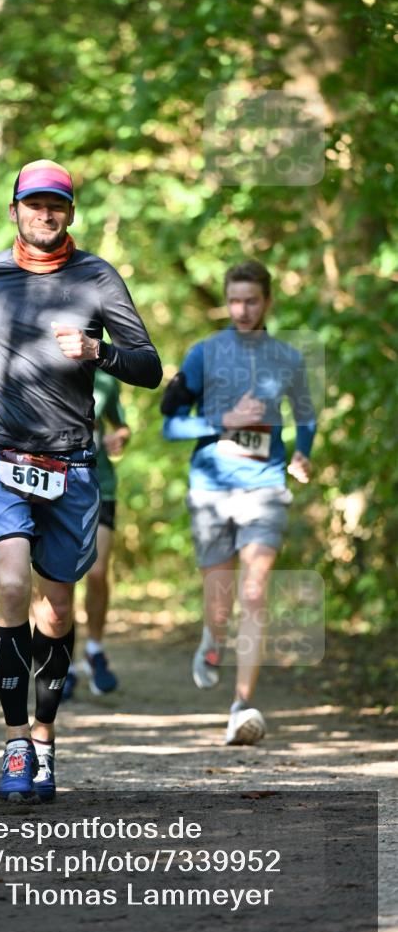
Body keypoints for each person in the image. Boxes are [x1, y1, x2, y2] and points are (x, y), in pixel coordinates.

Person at [0, 159, 162, 801]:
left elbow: (149, 367)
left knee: (58, 607)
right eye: (34, 204)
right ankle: (16, 743)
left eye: (57, 206)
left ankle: (44, 736)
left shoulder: (96, 278)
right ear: (15, 209)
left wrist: (99, 352)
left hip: (69, 462)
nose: (45, 215)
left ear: (69, 213)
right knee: (11, 585)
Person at [162, 260, 316, 745]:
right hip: (210, 488)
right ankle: (212, 638)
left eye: (252, 300)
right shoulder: (203, 354)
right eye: (235, 300)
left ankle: (241, 705)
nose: (243, 310)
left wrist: (303, 452)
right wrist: (221, 422)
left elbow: (306, 417)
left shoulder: (288, 358)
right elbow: (170, 422)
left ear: (268, 301)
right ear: (226, 302)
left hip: (265, 485)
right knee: (222, 604)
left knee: (254, 592)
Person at [63, 368, 130, 699]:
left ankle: (95, 648)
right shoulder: (33, 362)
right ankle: (64, 662)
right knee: (57, 579)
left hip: (99, 485)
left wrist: (120, 437)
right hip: (52, 486)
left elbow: (121, 425)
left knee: (98, 571)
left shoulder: (104, 377)